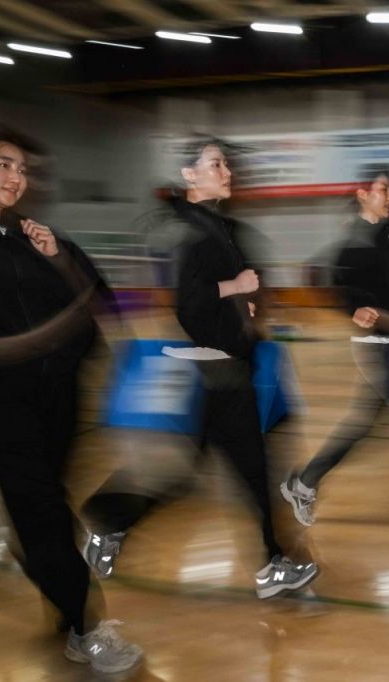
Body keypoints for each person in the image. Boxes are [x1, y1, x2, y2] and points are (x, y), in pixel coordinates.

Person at [79, 138, 318, 599]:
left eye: (226, 163)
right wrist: (237, 287)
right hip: (215, 373)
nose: (227, 171)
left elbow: (220, 293)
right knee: (251, 470)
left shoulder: (216, 226)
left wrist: (247, 305)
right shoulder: (188, 231)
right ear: (190, 174)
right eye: (215, 164)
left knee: (194, 474)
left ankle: (107, 520)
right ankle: (270, 566)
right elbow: (188, 303)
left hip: (224, 370)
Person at [0, 121, 143, 673]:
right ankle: (86, 627)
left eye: (21, 169)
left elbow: (99, 300)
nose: (16, 177)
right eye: (3, 164)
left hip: (64, 397)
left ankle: (56, 589)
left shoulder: (39, 235)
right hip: (8, 398)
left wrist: (59, 255)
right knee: (41, 512)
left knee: (46, 511)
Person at [280, 170, 389, 539]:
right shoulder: (354, 244)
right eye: (383, 190)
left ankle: (304, 483)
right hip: (376, 347)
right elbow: (334, 283)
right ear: (363, 194)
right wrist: (353, 309)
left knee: (360, 427)